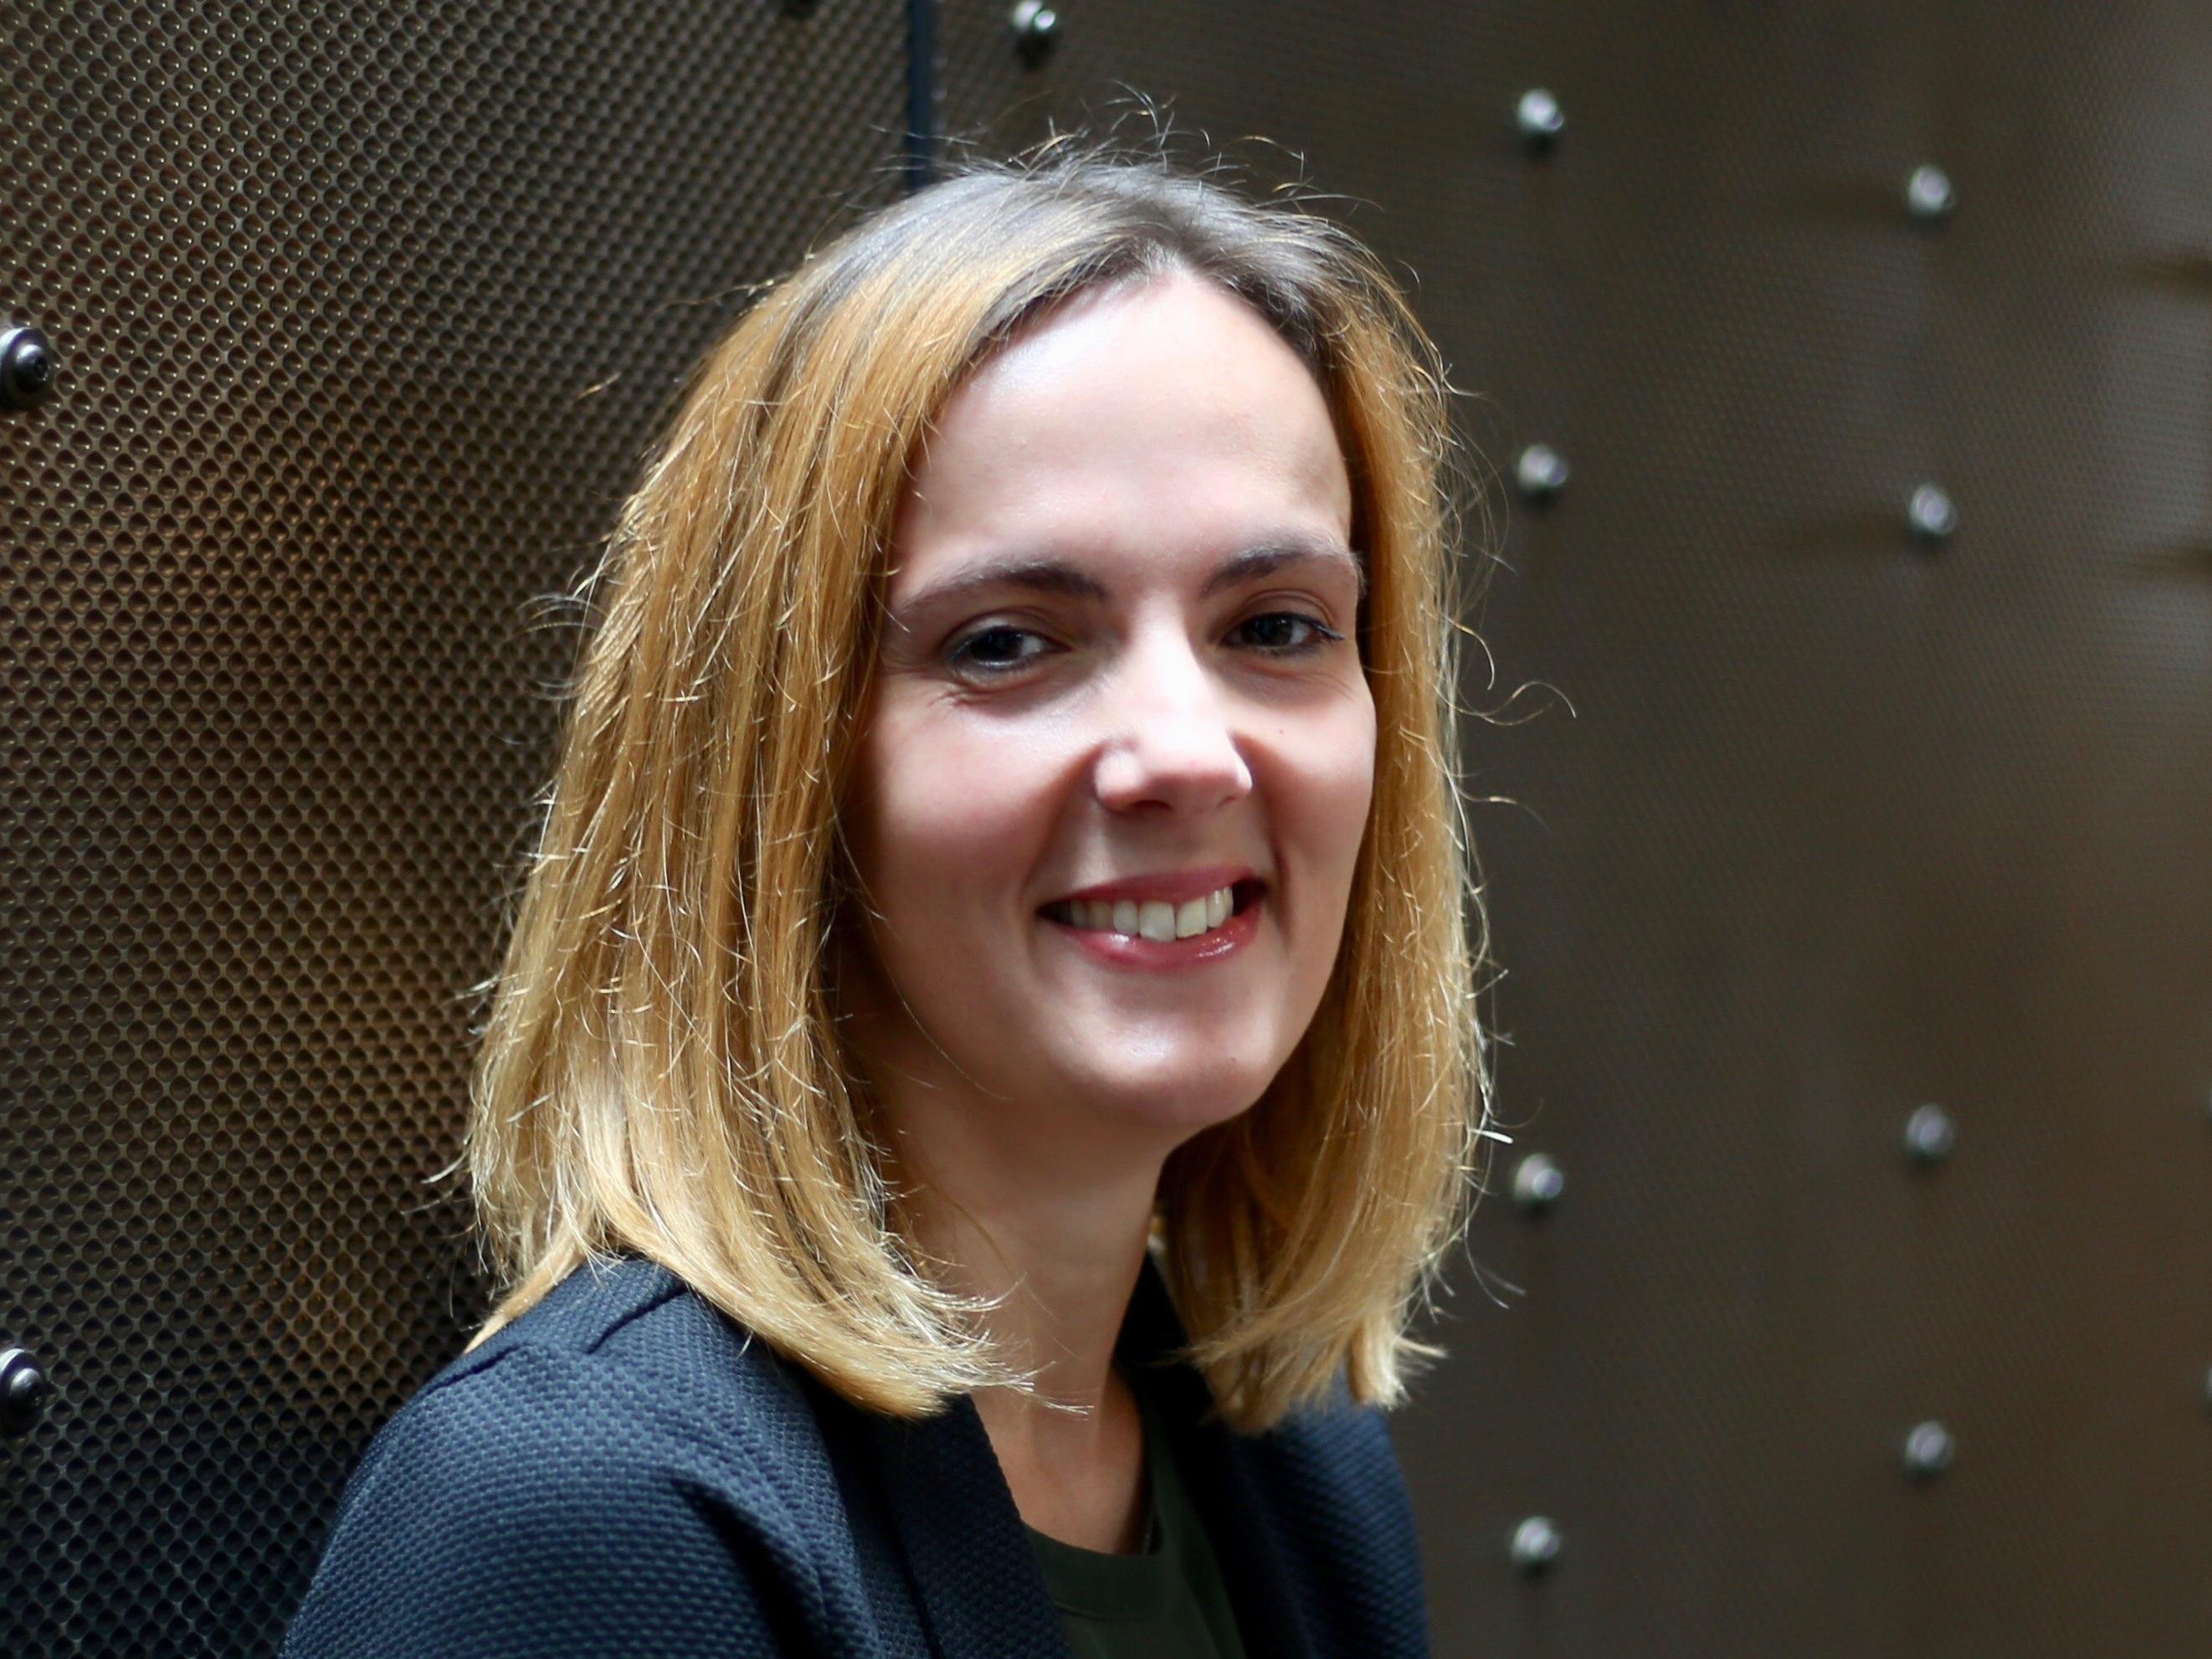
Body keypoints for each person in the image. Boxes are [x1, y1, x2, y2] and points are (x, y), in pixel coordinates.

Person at [281, 136, 1494, 1659]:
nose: (1190, 753)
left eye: (1277, 624)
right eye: (1007, 642)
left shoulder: (1299, 1472)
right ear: (780, 780)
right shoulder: (584, 1525)